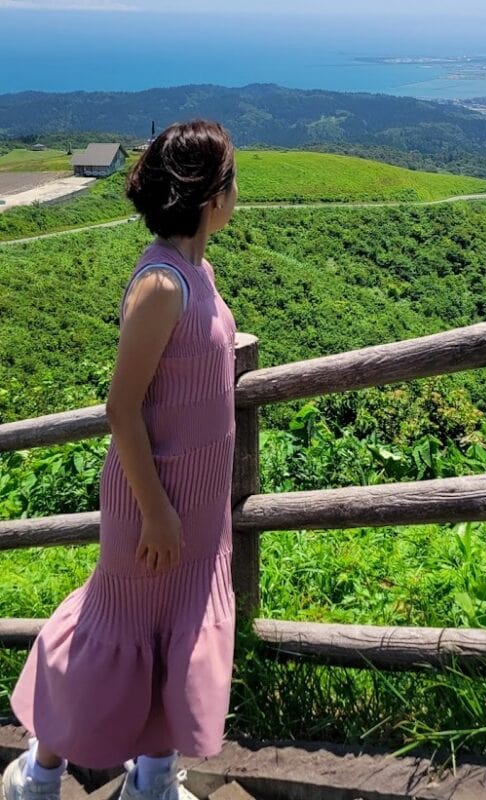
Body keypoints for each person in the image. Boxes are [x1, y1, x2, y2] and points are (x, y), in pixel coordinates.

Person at [2, 119, 240, 800]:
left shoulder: (197, 269)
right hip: (154, 507)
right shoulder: (162, 284)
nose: (235, 193)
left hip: (194, 509)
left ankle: (154, 780)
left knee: (173, 644)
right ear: (206, 196)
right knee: (108, 642)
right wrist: (159, 516)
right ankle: (40, 772)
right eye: (230, 181)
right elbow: (121, 409)